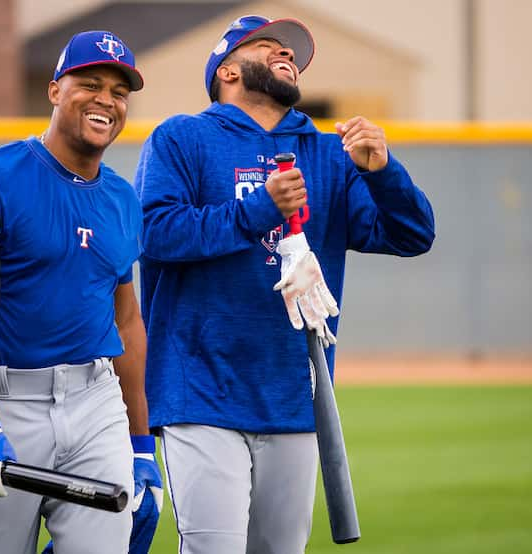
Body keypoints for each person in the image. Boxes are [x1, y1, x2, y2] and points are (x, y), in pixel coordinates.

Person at [133, 15, 435, 554]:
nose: (287, 56)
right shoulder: (182, 137)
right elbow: (155, 234)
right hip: (201, 390)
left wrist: (382, 171)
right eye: (269, 46)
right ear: (227, 69)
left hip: (296, 393)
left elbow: (412, 234)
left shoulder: (327, 153)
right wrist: (258, 209)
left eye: (292, 53)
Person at [0, 30, 161, 554]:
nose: (107, 100)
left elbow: (126, 323)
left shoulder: (124, 199)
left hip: (96, 401)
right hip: (7, 402)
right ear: (55, 90)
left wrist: (141, 442)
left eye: (119, 92)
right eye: (91, 84)